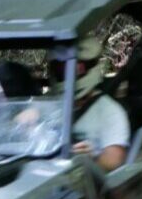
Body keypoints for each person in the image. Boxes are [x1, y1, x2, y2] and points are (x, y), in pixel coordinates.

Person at [50, 36, 129, 172]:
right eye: (61, 70)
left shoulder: (110, 111)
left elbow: (114, 160)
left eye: (75, 69)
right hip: (45, 175)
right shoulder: (49, 105)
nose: (68, 74)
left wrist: (91, 159)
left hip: (84, 183)